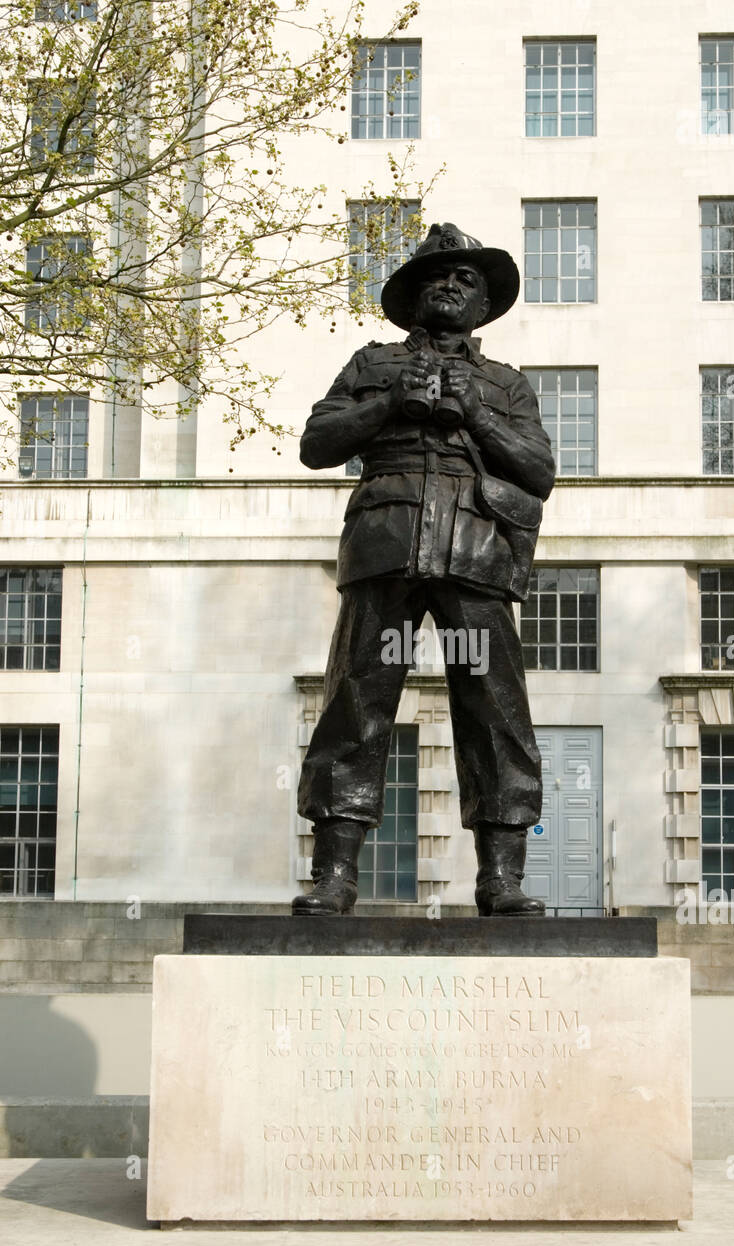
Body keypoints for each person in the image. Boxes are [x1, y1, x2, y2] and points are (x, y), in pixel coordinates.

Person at [293, 222, 555, 916]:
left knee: (494, 709)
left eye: (465, 279)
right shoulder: (370, 363)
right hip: (386, 543)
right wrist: (386, 405)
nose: (449, 285)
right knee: (357, 702)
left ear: (483, 303)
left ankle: (500, 878)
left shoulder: (505, 384)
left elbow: (540, 471)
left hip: (475, 551)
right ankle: (335, 875)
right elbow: (315, 445)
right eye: (436, 276)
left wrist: (475, 415)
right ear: (412, 298)